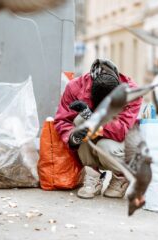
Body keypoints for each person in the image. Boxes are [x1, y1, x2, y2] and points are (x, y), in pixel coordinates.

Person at [54, 59, 142, 199]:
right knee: (80, 121)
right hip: (93, 139)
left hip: (119, 144)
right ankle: (93, 174)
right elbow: (62, 120)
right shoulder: (75, 88)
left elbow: (122, 131)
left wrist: (91, 117)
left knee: (103, 144)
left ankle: (120, 177)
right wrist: (73, 137)